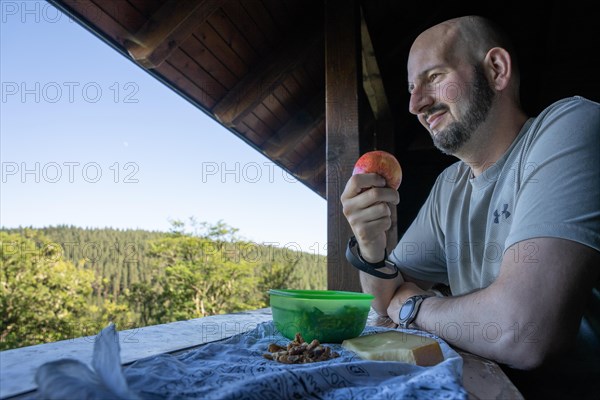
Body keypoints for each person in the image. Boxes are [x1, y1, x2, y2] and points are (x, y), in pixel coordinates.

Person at [341, 15, 599, 399]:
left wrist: (414, 307)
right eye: (411, 88)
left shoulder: (573, 124)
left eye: (433, 78)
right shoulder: (450, 184)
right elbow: (382, 299)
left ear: (496, 70)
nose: (415, 104)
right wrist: (371, 246)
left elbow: (522, 332)